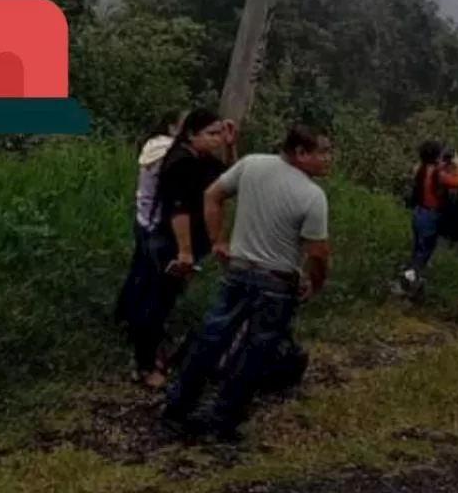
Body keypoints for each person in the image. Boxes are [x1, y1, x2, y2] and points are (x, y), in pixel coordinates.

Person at [161, 123, 333, 442]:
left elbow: (213, 195)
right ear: (300, 152)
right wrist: (316, 282)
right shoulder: (312, 196)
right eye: (322, 152)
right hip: (276, 283)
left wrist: (218, 241)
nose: (328, 159)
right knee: (255, 354)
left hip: (238, 272)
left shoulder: (252, 164)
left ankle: (177, 408)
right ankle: (222, 420)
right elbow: (318, 253)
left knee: (211, 339)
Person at [124, 108, 235, 389]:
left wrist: (231, 146)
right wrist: (184, 251)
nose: (217, 139)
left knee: (162, 297)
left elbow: (229, 180)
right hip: (168, 241)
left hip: (179, 240)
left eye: (220, 133)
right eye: (212, 134)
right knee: (157, 300)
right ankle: (144, 365)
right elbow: (179, 210)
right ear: (190, 134)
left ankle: (150, 353)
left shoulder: (200, 157)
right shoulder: (181, 162)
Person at [114, 108, 186, 335]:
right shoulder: (168, 152)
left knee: (139, 272)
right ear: (172, 127)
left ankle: (123, 317)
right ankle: (137, 327)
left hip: (143, 219)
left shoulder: (153, 147)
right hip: (155, 224)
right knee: (151, 280)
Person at [397, 141, 458, 295]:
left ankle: (408, 279)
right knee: (424, 252)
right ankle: (412, 284)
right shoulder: (438, 174)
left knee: (417, 249)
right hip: (430, 214)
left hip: (418, 212)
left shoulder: (420, 168)